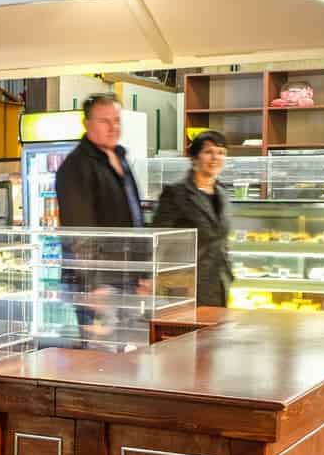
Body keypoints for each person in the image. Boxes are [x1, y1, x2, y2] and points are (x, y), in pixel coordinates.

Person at [153, 130, 232, 307]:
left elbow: (222, 240)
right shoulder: (176, 193)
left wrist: (228, 273)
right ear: (195, 158)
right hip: (186, 286)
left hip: (218, 283)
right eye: (208, 152)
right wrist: (153, 278)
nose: (215, 158)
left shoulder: (223, 193)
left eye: (221, 153)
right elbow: (159, 240)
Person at [54, 93, 143, 229]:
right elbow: (81, 233)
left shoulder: (121, 156)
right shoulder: (75, 167)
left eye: (117, 120)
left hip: (133, 249)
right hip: (104, 250)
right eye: (104, 121)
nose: (113, 128)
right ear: (86, 124)